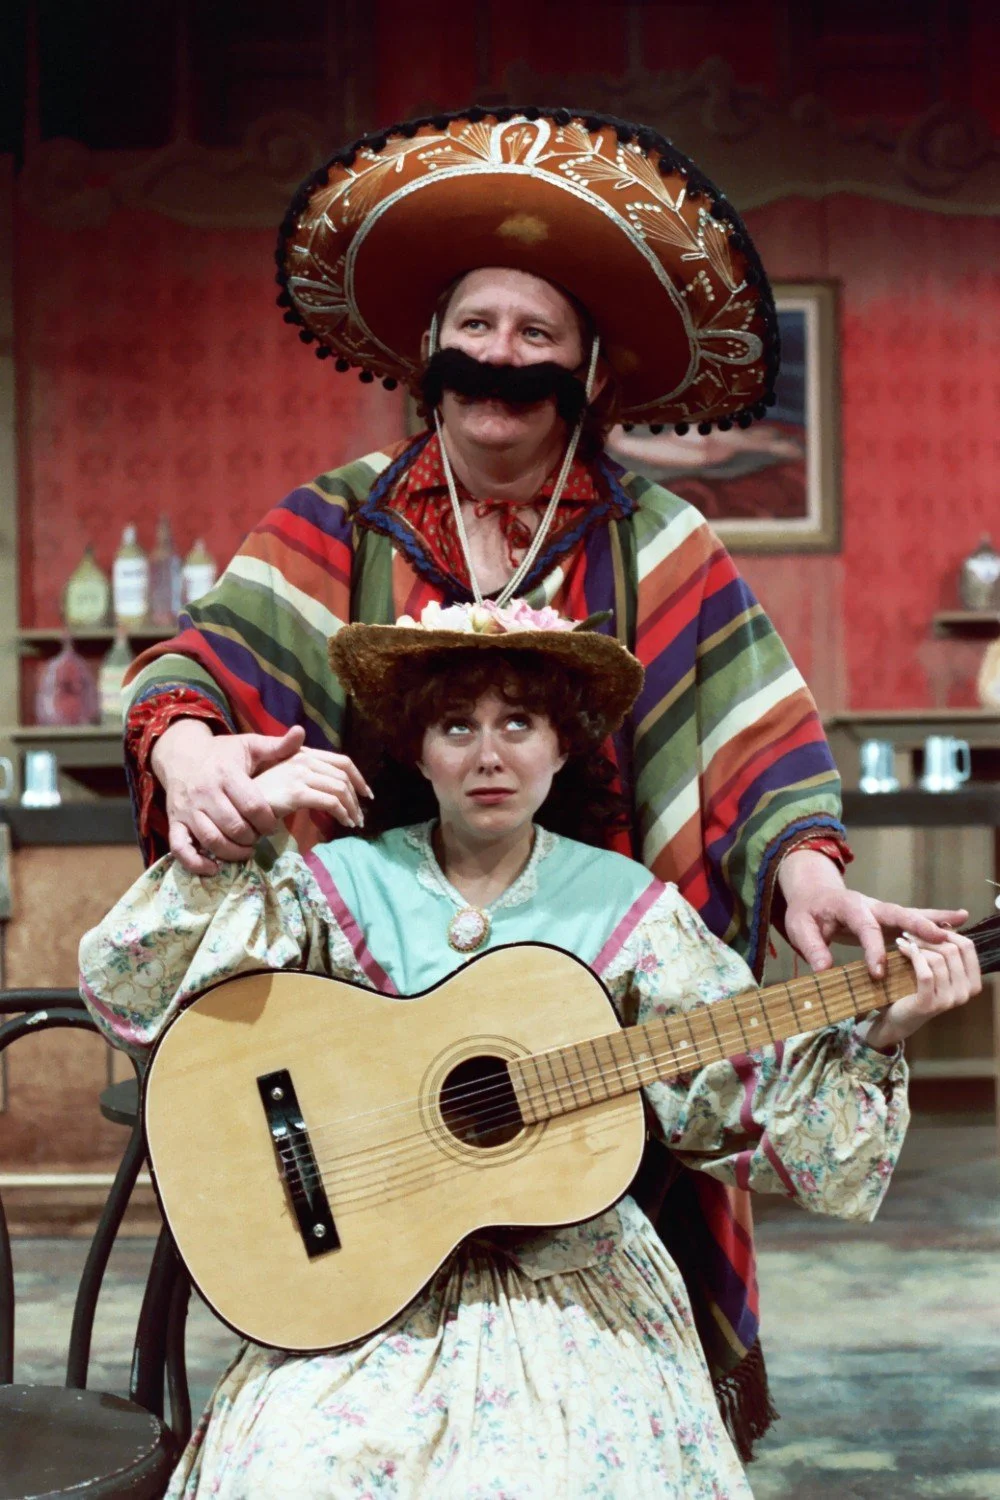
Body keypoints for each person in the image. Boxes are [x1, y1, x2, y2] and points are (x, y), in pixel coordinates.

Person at [117, 106, 966, 1440]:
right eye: (479, 327)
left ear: (591, 371)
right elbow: (195, 672)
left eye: (537, 336)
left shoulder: (663, 544)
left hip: (593, 970)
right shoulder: (331, 523)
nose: (501, 357)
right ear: (427, 353)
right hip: (364, 980)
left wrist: (805, 875)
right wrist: (191, 749)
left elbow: (753, 746)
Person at [81, 605, 981, 1500]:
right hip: (355, 1287)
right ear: (416, 747)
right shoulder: (336, 885)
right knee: (302, 1472)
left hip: (575, 1287)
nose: (488, 754)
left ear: (564, 745)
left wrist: (879, 1030)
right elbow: (134, 989)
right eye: (456, 724)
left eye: (519, 722)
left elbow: (746, 1107)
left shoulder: (632, 913)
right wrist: (238, 840)